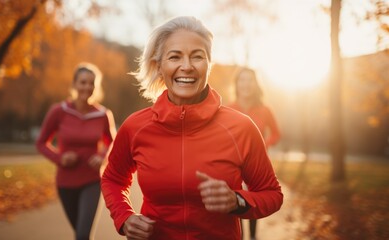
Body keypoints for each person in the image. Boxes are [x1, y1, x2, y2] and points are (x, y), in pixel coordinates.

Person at [101, 16, 283, 240]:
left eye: (197, 57)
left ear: (208, 65)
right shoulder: (135, 127)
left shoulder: (241, 127)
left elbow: (272, 194)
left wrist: (237, 201)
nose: (186, 67)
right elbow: (113, 179)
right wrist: (125, 217)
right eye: (175, 57)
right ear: (159, 66)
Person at [36, 62, 116, 240]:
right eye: (83, 82)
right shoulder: (59, 111)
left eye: (91, 83)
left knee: (82, 235)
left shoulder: (103, 114)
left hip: (92, 179)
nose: (87, 87)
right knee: (81, 234)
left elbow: (112, 141)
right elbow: (41, 142)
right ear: (74, 85)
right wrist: (60, 158)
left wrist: (102, 156)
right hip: (65, 181)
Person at [228, 67, 282, 240]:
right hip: (234, 164)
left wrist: (263, 144)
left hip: (256, 165)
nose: (246, 84)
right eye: (242, 80)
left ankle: (252, 236)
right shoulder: (228, 109)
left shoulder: (265, 110)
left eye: (250, 80)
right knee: (236, 202)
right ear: (236, 84)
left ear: (256, 84)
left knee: (253, 201)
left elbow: (276, 133)